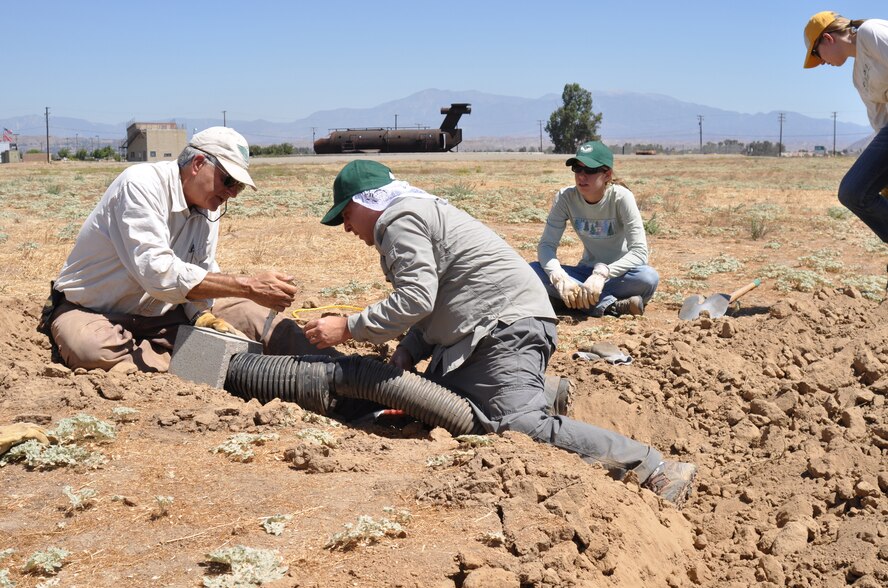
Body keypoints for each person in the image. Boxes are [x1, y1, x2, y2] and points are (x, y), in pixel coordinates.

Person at [303, 160, 696, 505]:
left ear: (366, 201)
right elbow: (440, 299)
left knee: (514, 425)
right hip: (490, 327)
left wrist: (348, 327)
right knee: (437, 405)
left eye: (346, 215)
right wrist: (409, 348)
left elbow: (417, 298)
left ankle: (652, 466)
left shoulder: (398, 220)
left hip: (504, 327)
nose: (346, 227)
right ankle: (544, 390)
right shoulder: (414, 213)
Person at [39, 126, 327, 373]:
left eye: (237, 187)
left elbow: (200, 269)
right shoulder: (141, 184)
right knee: (92, 350)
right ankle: (205, 364)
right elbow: (157, 272)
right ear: (198, 163)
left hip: (166, 313)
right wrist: (246, 285)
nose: (230, 193)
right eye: (228, 180)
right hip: (94, 311)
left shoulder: (207, 206)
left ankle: (336, 368)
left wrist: (202, 315)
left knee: (256, 318)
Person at [530, 141, 658, 317]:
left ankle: (568, 302)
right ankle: (612, 306)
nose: (582, 176)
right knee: (532, 271)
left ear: (607, 174)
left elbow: (639, 252)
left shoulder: (622, 198)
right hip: (583, 273)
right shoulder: (565, 198)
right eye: (577, 168)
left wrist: (602, 274)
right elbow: (546, 246)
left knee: (648, 278)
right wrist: (559, 278)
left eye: (590, 170)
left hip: (618, 274)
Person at [803, 11, 888, 243]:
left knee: (853, 190)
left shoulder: (872, 32)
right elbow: (880, 122)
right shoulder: (858, 78)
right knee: (855, 193)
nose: (820, 62)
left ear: (828, 39)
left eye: (815, 53)